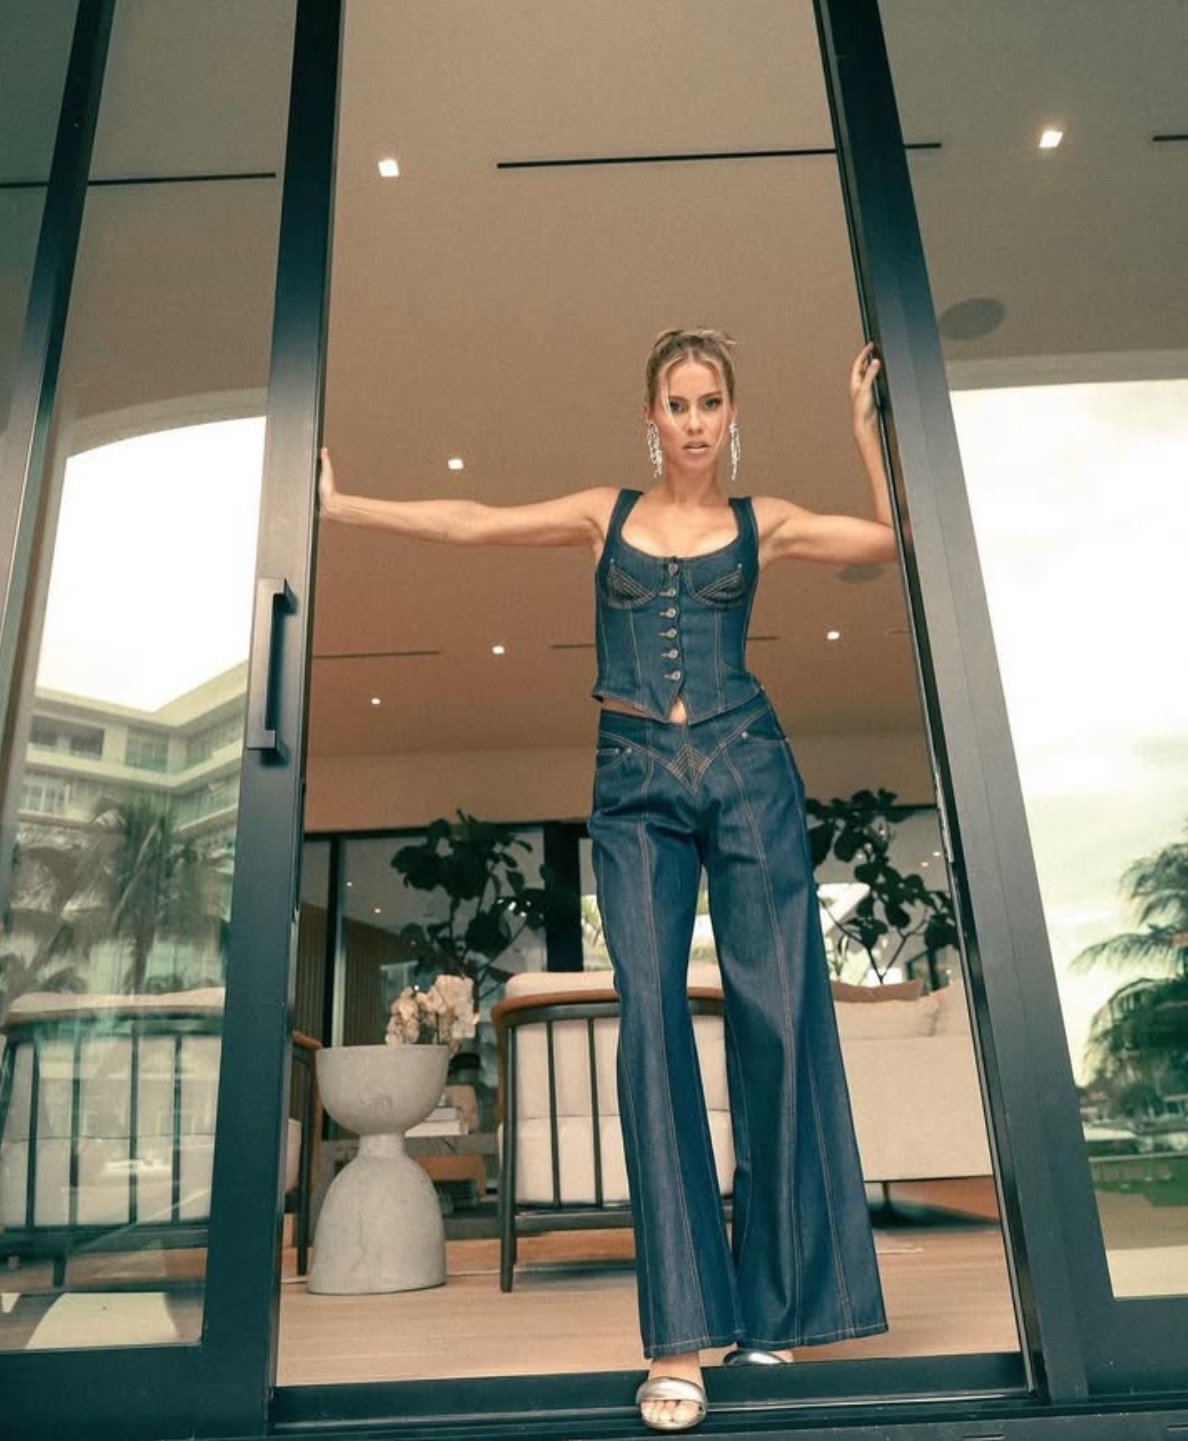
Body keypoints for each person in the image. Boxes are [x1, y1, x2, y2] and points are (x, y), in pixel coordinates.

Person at [318, 327, 896, 1431]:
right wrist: (344, 509)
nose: (691, 420)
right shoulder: (606, 515)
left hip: (748, 764)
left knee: (780, 1015)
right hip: (633, 779)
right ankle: (679, 1337)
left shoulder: (756, 521)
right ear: (650, 417)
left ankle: (776, 1307)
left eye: (709, 401)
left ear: (732, 416)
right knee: (650, 1029)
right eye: (674, 403)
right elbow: (472, 522)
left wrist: (865, 436)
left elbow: (884, 545)